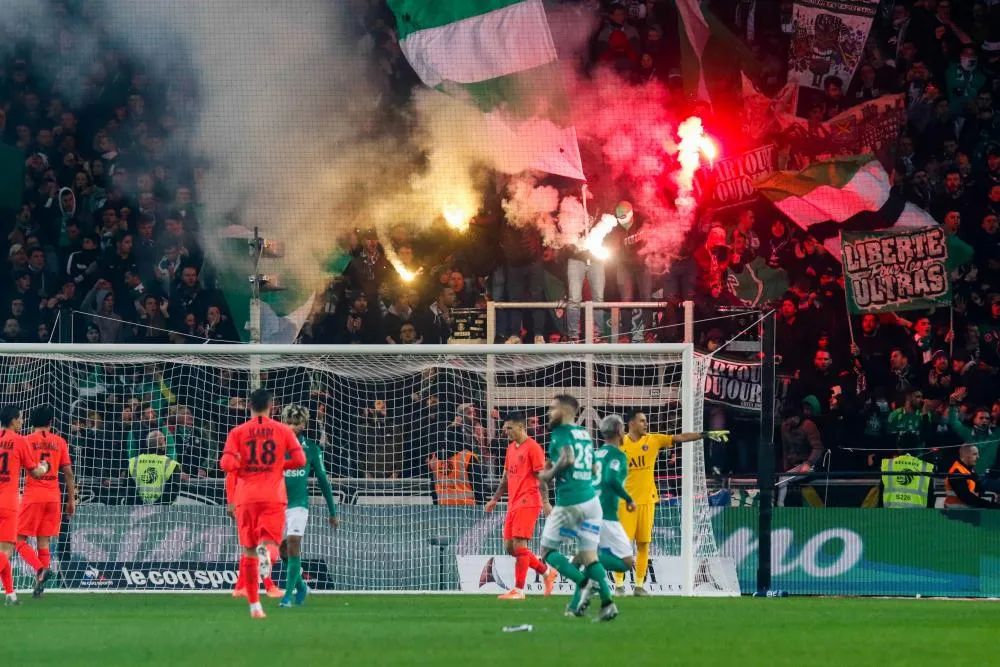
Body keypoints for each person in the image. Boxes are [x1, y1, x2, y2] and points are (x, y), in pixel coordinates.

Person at [614, 409, 727, 595]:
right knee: (623, 545)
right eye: (642, 421)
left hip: (648, 501)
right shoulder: (619, 444)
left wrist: (704, 434)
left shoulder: (653, 440)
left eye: (646, 420)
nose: (646, 424)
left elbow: (680, 437)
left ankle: (639, 586)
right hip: (625, 503)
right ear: (631, 424)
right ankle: (619, 585)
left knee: (643, 544)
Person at [220, 389, 306, 619]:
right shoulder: (282, 430)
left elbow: (226, 464)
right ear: (272, 406)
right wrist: (278, 466)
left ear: (249, 406)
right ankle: (265, 560)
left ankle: (255, 606)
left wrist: (241, 463)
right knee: (270, 545)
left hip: (246, 497)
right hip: (272, 496)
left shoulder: (238, 432)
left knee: (248, 550)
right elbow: (300, 460)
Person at [536, 394, 616, 621]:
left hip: (570, 502)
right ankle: (608, 604)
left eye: (553, 408)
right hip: (591, 502)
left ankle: (584, 584)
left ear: (566, 411)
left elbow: (567, 458)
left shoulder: (560, 433)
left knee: (547, 552)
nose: (549, 412)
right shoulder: (585, 435)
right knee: (590, 557)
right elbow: (592, 467)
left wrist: (548, 475)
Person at [483, 414, 557, 600]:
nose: (505, 432)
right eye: (505, 428)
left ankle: (519, 590)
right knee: (510, 547)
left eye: (509, 428)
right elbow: (506, 478)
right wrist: (495, 499)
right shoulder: (510, 449)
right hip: (513, 502)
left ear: (521, 427)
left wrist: (546, 501)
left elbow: (541, 477)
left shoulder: (533, 448)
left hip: (529, 501)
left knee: (519, 543)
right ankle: (547, 572)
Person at [278, 404, 339, 609]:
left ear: (304, 424)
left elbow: (323, 480)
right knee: (282, 549)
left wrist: (333, 511)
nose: (292, 427)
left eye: (297, 423)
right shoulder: (273, 447)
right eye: (289, 422)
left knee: (294, 543)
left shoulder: (312, 448)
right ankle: (302, 586)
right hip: (277, 504)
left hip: (298, 504)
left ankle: (287, 596)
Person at [16, 406, 75, 598]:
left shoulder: (25, 441)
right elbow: (68, 473)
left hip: (33, 494)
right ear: (51, 422)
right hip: (53, 497)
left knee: (19, 540)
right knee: (44, 541)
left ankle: (40, 569)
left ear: (31, 421)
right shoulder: (60, 441)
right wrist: (71, 499)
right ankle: (39, 588)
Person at [0, 406, 49, 607]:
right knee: (6, 551)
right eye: (20, 419)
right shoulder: (19, 441)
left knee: (2, 551)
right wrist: (45, 465)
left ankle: (10, 594)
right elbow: (35, 472)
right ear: (13, 420)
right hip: (8, 503)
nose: (22, 422)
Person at [593, 415, 637, 583]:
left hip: (592, 508)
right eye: (623, 429)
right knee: (627, 562)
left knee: (605, 551)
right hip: (606, 513)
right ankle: (588, 558)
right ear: (619, 431)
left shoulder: (597, 454)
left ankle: (590, 575)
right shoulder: (617, 455)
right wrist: (628, 498)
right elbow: (610, 478)